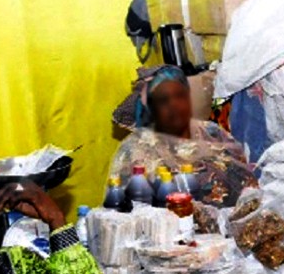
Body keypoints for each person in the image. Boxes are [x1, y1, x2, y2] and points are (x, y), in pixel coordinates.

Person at [110, 65, 257, 207]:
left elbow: (245, 179)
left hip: (224, 223)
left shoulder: (211, 132)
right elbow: (125, 206)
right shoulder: (134, 147)